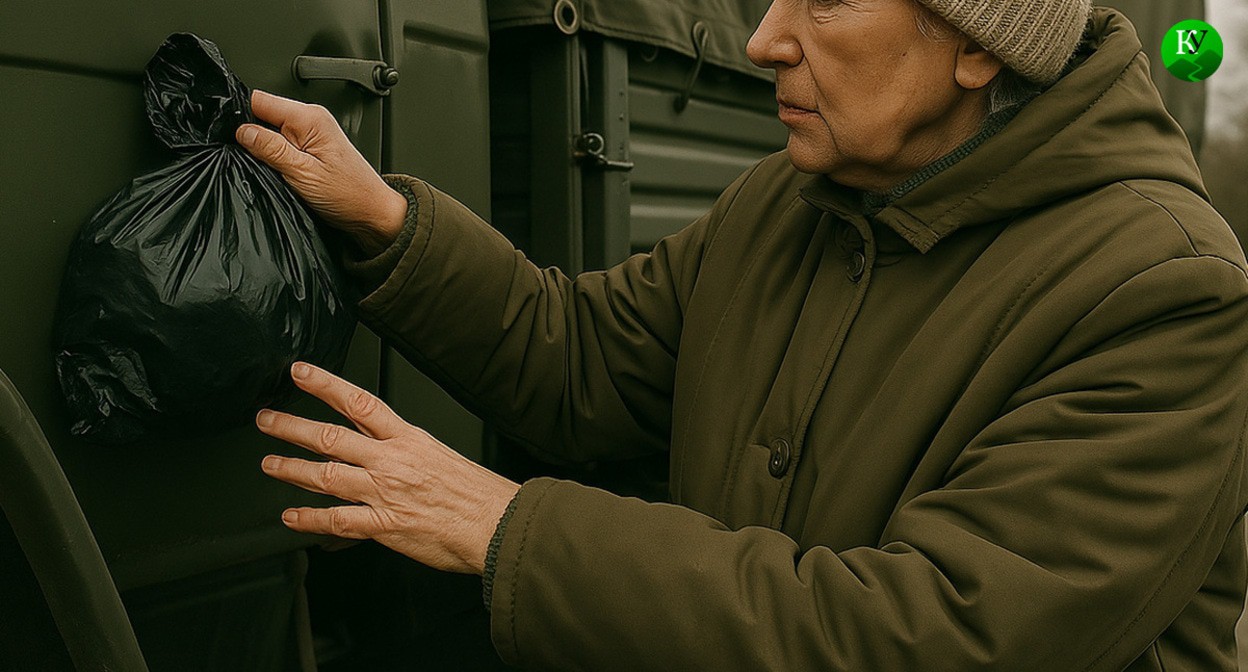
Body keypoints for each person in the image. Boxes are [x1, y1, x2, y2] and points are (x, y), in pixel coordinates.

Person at [238, 0, 1248, 669]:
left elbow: (935, 638)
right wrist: (385, 221)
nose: (765, 39)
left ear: (981, 45)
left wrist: (513, 532)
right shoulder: (792, 200)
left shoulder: (1163, 290)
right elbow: (579, 360)